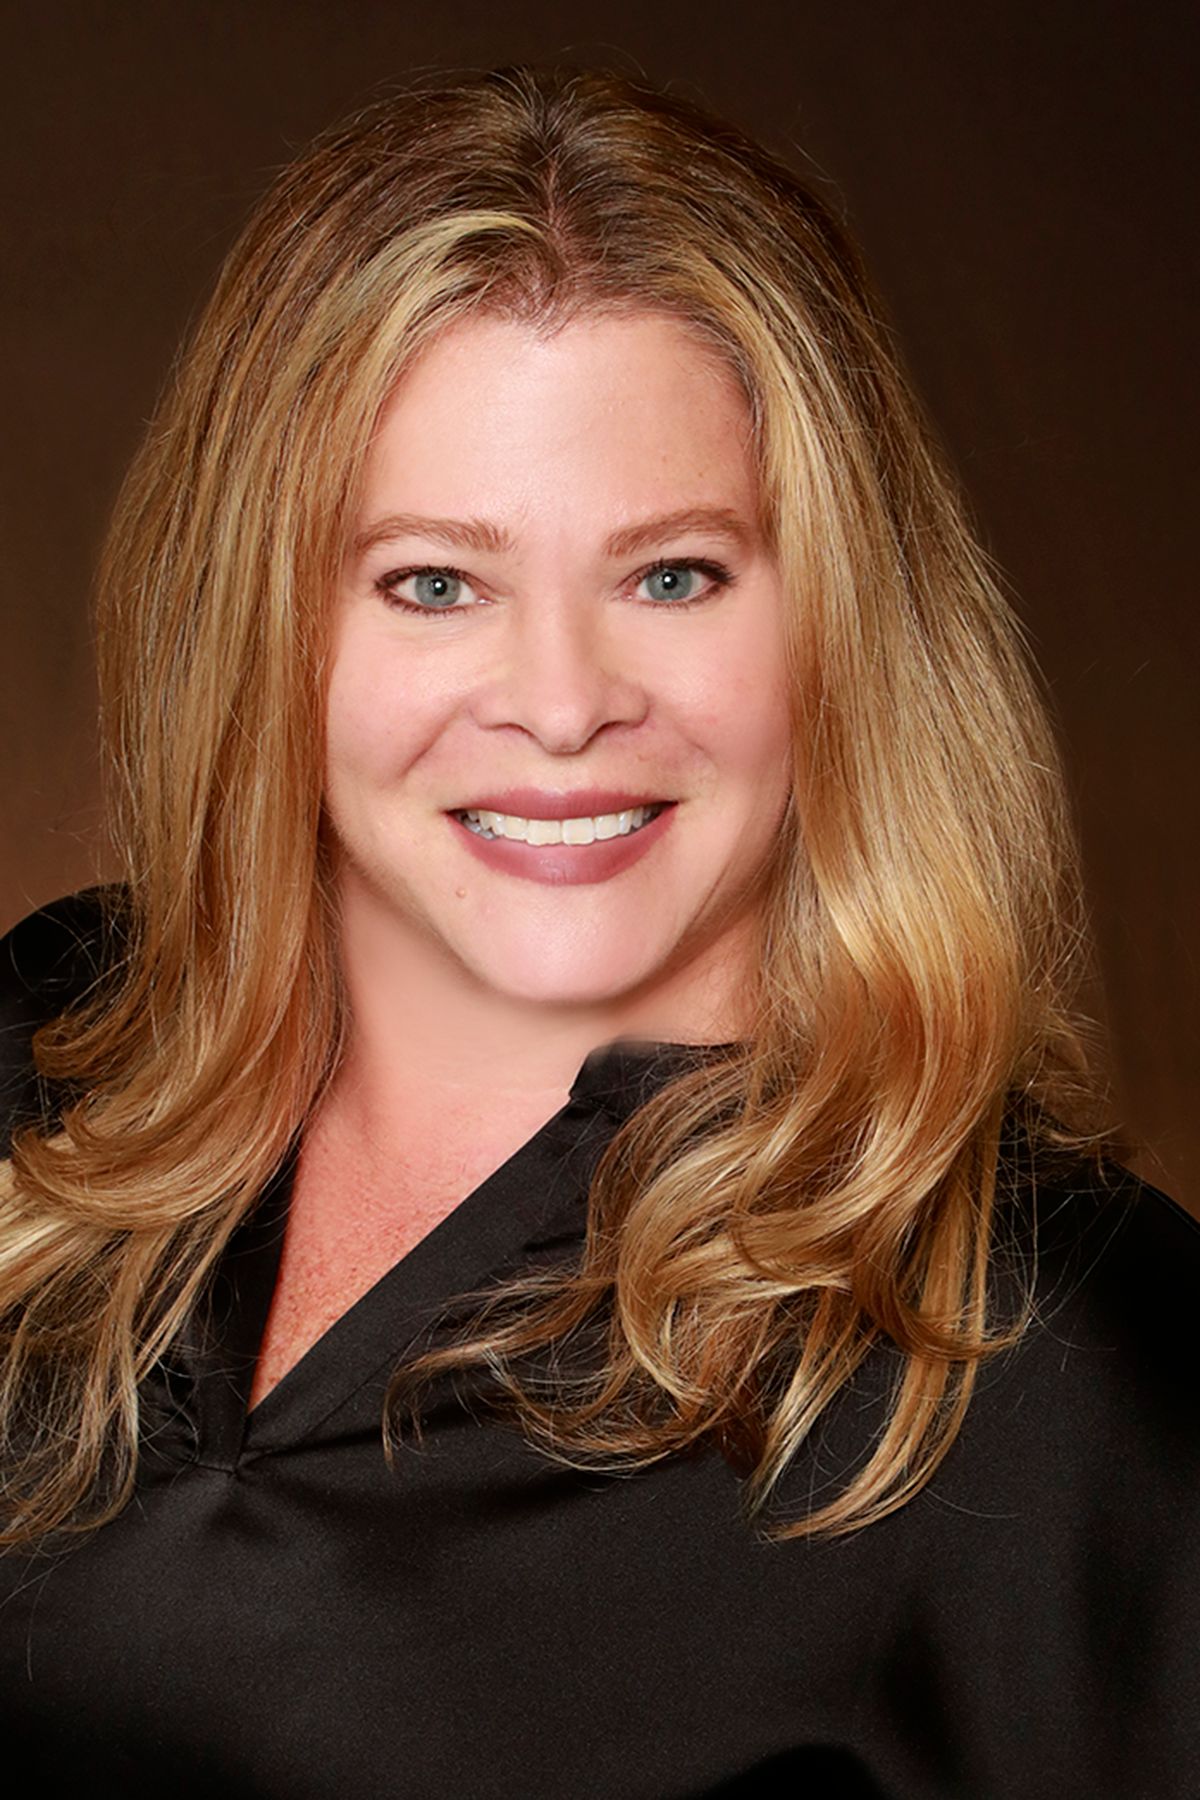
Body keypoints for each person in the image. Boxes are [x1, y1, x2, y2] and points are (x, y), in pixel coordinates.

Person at [0, 64, 1196, 1799]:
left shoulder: (1062, 1356)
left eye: (674, 575)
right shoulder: (56, 1048)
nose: (560, 707)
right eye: (434, 582)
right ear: (268, 622)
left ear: (840, 623)